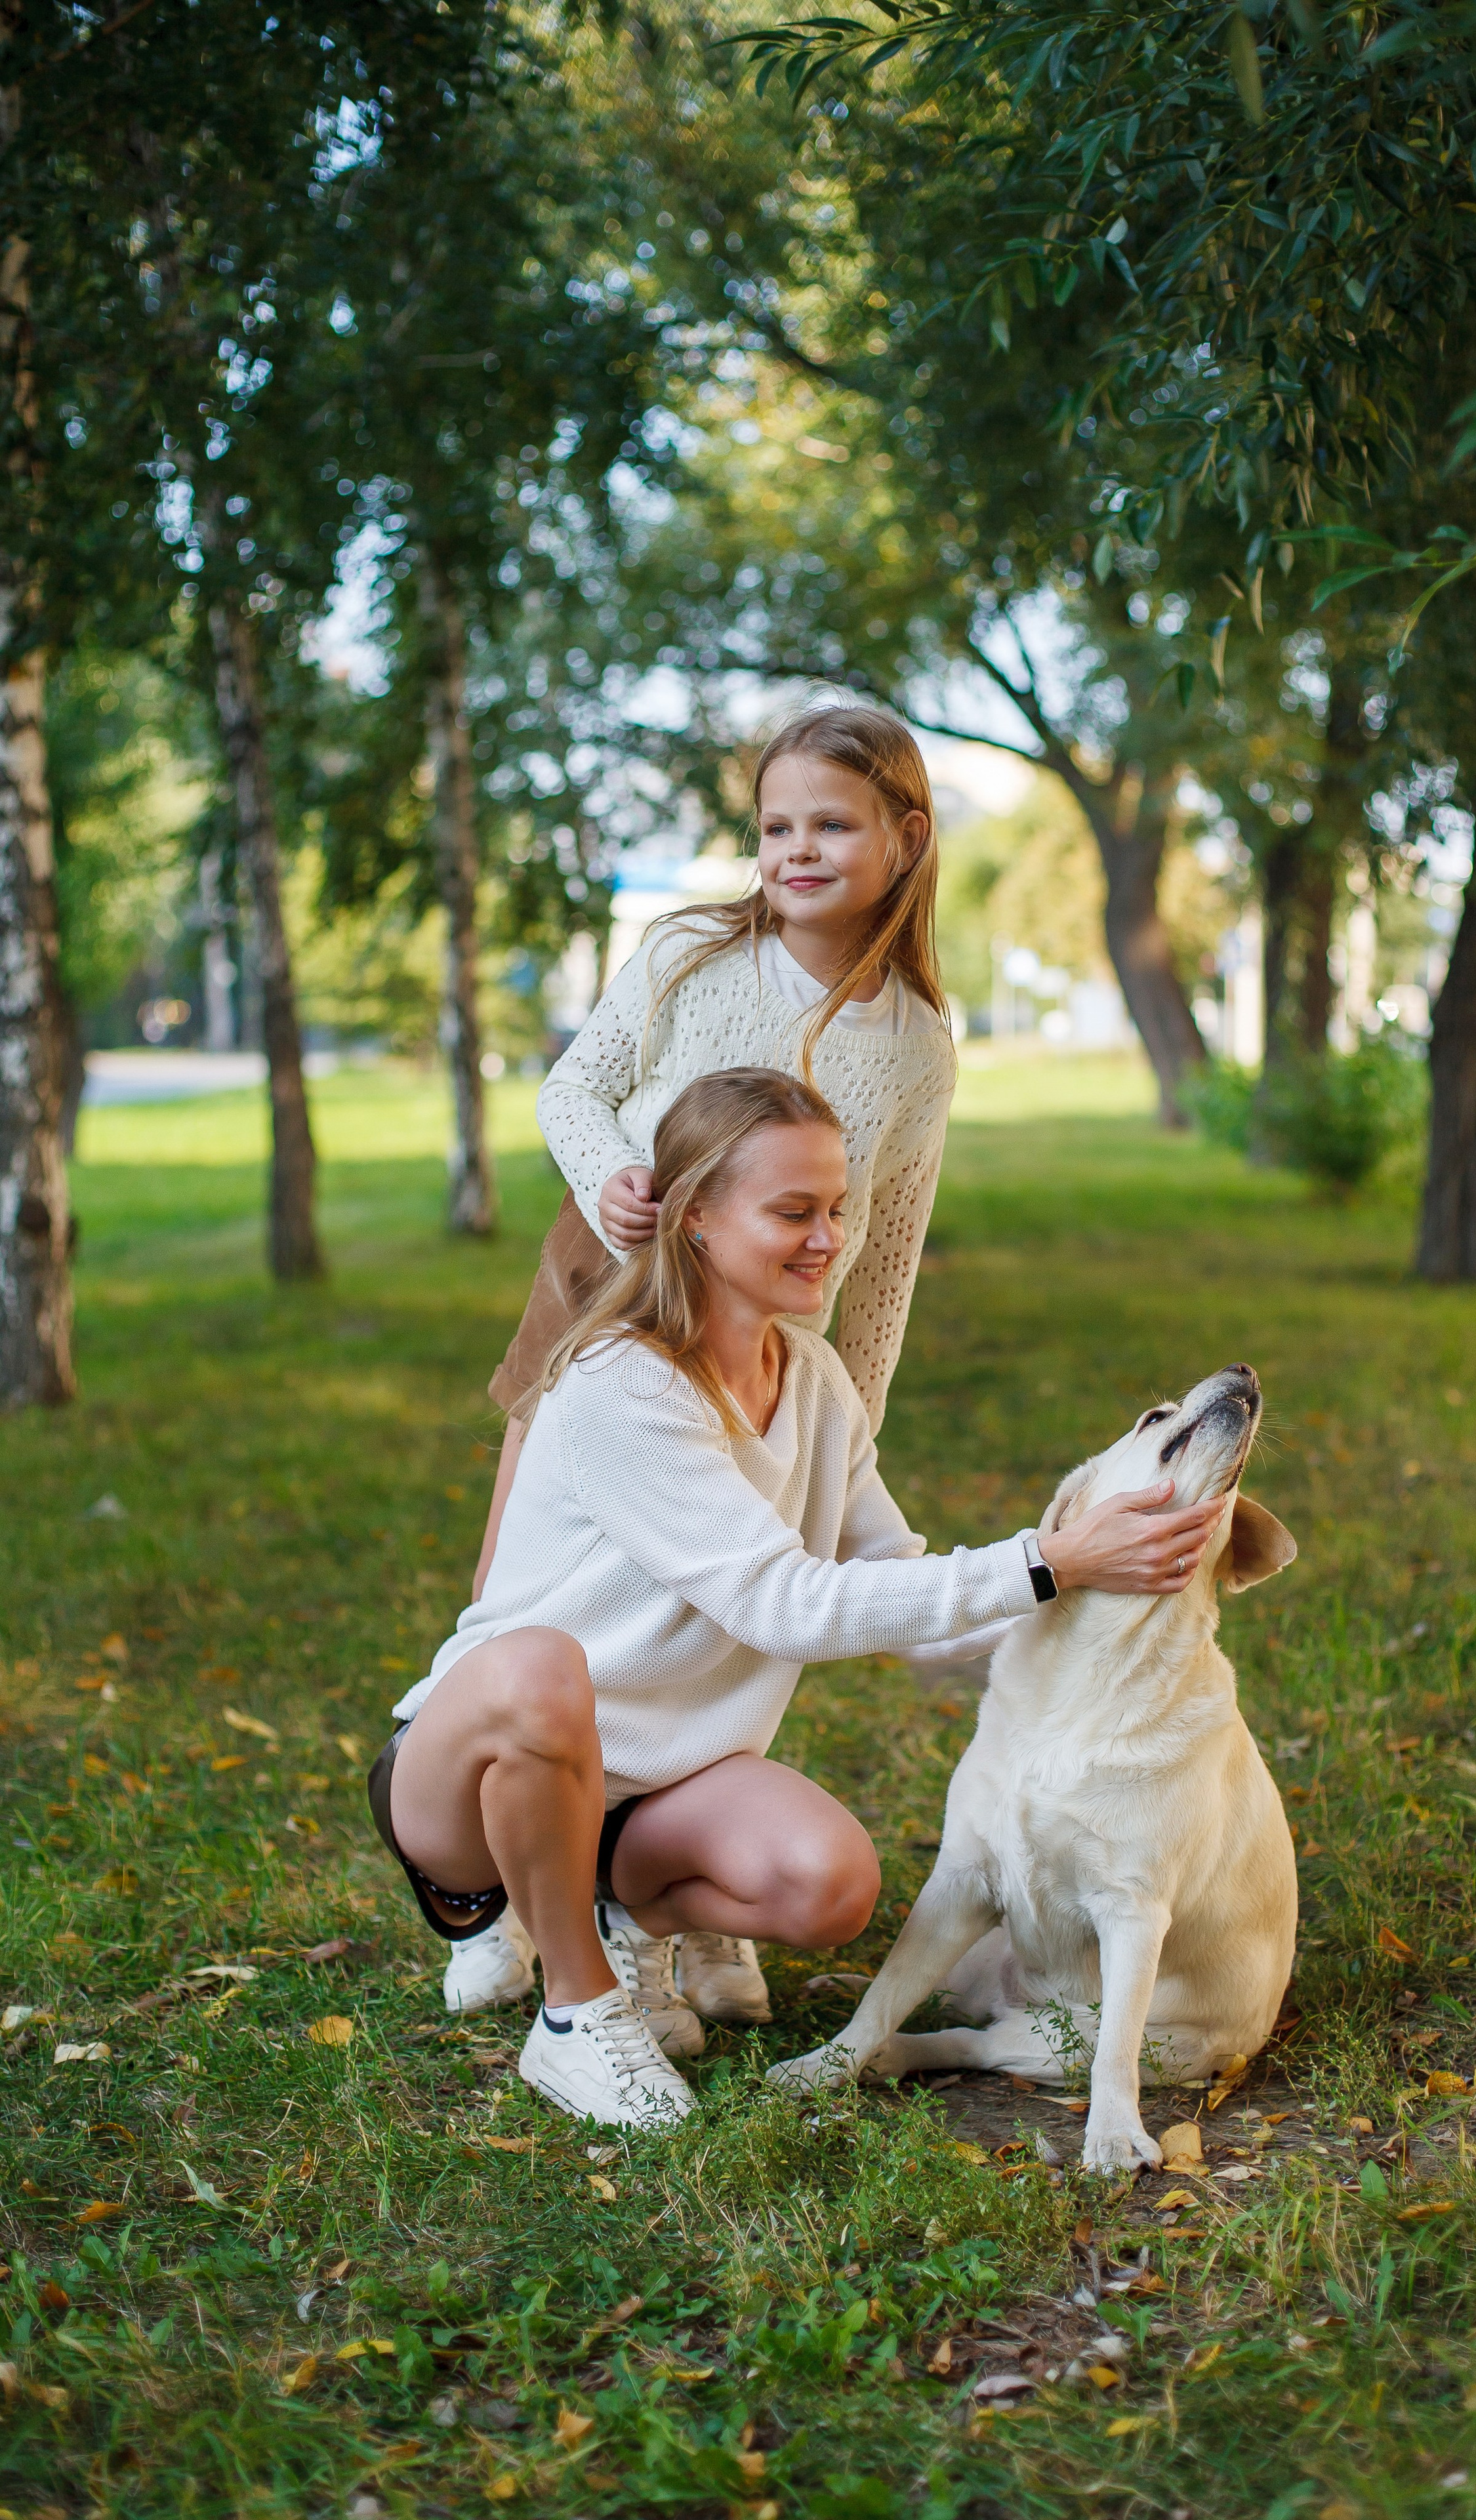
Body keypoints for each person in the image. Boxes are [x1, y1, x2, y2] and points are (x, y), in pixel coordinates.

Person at [368, 1070, 1225, 2129]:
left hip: (643, 1794)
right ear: (694, 1219)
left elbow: (908, 1584)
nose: (826, 1237)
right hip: (469, 1779)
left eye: (835, 1208)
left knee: (831, 1882)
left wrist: (1121, 1603)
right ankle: (577, 2013)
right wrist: (1053, 1558)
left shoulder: (814, 1381)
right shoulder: (618, 1382)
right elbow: (783, 1604)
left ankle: (614, 1913)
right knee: (546, 1669)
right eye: (791, 1211)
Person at [448, 703, 959, 2029]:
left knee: (732, 1609)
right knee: (532, 1592)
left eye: (830, 825)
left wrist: (851, 1434)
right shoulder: (685, 951)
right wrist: (611, 1175)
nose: (796, 849)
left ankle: (662, 1890)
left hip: (761, 1346)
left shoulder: (912, 1039)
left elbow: (888, 1245)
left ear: (904, 839)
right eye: (775, 825)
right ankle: (516, 1889)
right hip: (606, 1279)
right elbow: (575, 1087)